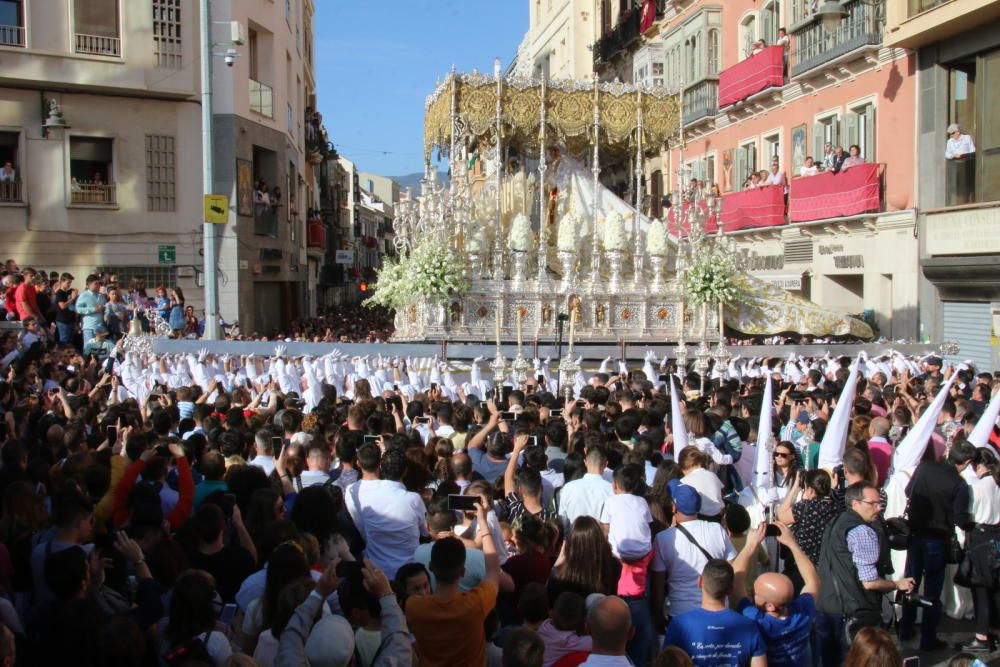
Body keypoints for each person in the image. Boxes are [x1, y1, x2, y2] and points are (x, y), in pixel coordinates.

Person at [816, 481, 915, 665]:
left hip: (826, 607)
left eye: (880, 504)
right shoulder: (863, 531)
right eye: (873, 504)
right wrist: (897, 584)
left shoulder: (835, 522)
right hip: (853, 612)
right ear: (855, 503)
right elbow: (869, 581)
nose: (878, 509)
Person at [900, 440, 974, 650]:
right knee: (932, 591)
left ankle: (906, 627)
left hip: (915, 535)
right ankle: (928, 638)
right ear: (967, 462)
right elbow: (961, 520)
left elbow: (908, 491)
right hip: (937, 539)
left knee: (910, 583)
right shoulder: (959, 484)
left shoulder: (925, 468)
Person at [406, 501, 500, 666]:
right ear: (462, 572)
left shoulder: (414, 606)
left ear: (431, 567)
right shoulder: (476, 604)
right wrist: (483, 522)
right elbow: (493, 569)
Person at [649, 481, 736, 626]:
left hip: (680, 614)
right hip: (717, 610)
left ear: (674, 507)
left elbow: (658, 584)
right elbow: (733, 568)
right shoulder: (717, 530)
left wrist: (658, 615)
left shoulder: (662, 538)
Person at [733, 522, 819, 667]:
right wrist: (793, 545)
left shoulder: (758, 621)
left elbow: (735, 581)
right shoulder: (803, 612)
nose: (754, 596)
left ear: (770, 606)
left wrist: (750, 546)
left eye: (756, 593)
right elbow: (813, 580)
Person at [662, 558, 767, 667]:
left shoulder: (679, 624)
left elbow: (666, 662)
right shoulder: (748, 626)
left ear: (699, 582)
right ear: (731, 589)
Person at [346, 447, 428, 579]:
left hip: (379, 572)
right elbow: (424, 532)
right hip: (406, 574)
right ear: (405, 471)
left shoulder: (366, 497)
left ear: (381, 467)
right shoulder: (414, 499)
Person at [961, 448, 1000, 651]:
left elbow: (968, 515)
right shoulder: (997, 482)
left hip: (980, 538)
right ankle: (994, 629)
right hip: (997, 535)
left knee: (981, 589)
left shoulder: (976, 487)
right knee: (996, 588)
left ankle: (982, 636)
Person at [556, 446, 612, 530]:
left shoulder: (568, 488)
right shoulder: (611, 490)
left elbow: (563, 521)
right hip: (600, 540)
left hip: (574, 539)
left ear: (585, 462)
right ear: (606, 464)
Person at [74, 274, 106, 347]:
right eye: (96, 283)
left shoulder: (101, 296)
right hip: (89, 327)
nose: (98, 285)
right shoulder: (83, 295)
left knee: (99, 348)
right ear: (89, 284)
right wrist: (93, 309)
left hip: (100, 326)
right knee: (88, 348)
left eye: (99, 283)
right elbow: (78, 309)